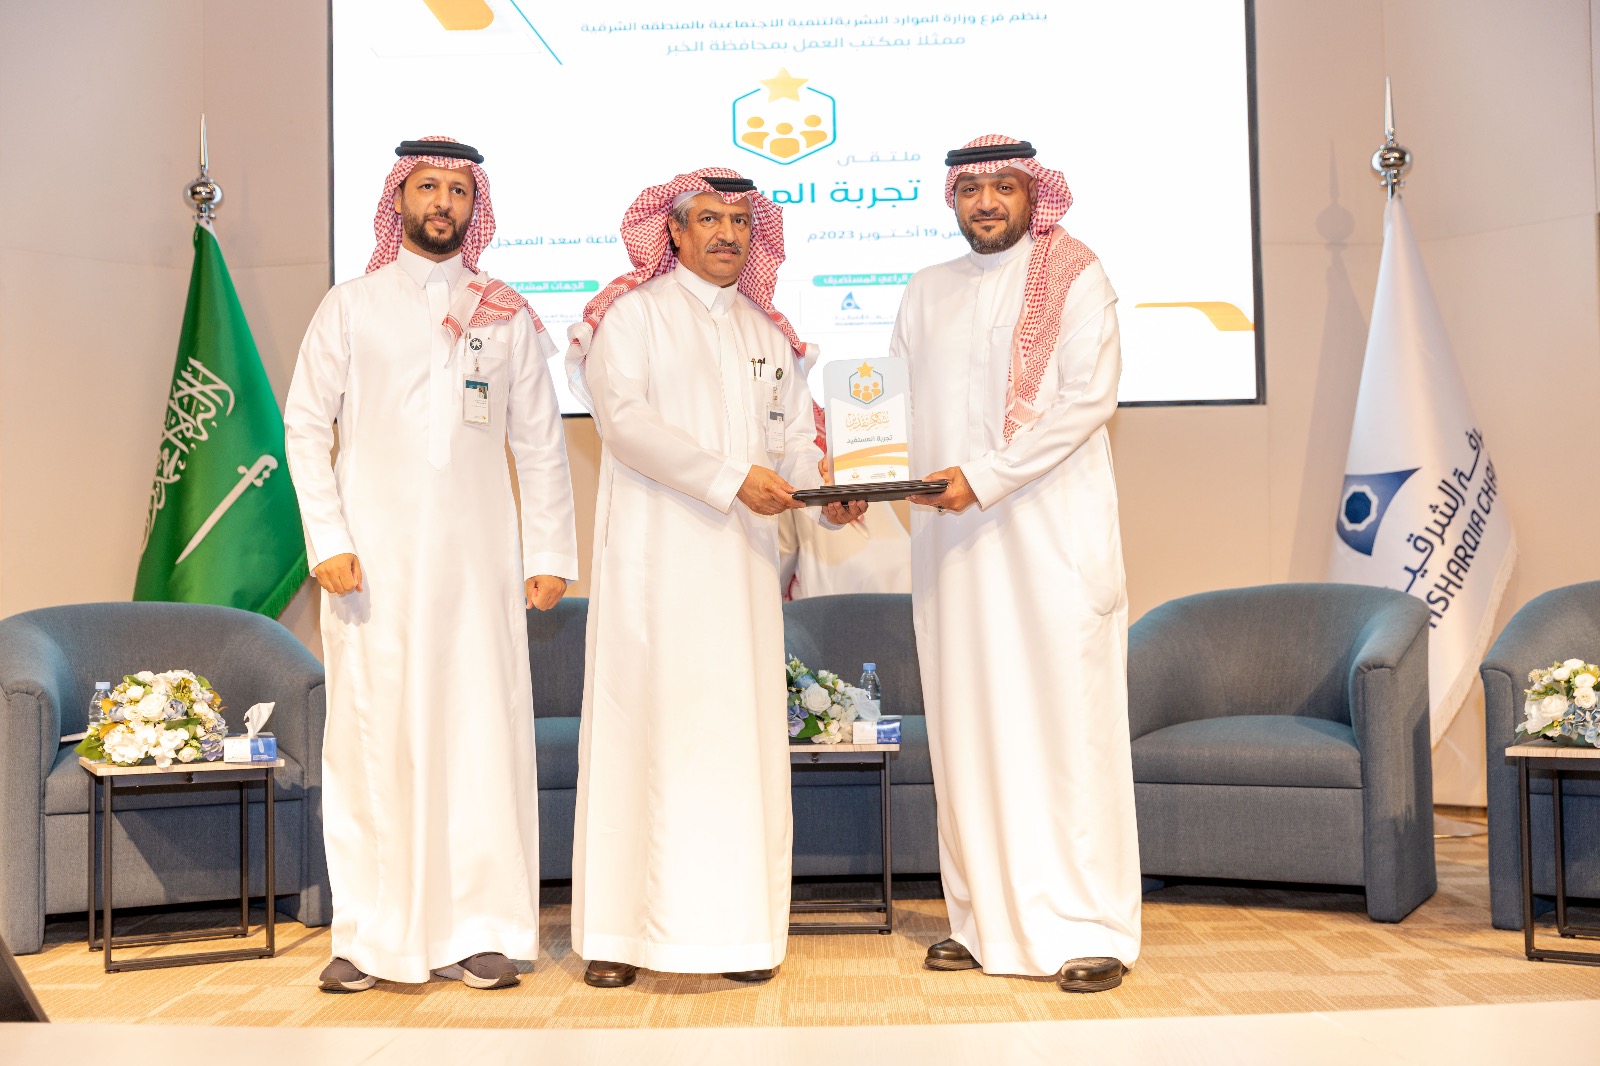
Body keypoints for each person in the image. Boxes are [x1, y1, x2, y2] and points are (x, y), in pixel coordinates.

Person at [283, 136, 578, 994]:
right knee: (373, 741)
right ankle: (369, 935)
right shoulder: (350, 305)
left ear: (473, 206)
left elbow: (541, 443)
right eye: (427, 187)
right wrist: (328, 539)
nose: (442, 202)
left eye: (457, 190)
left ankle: (479, 929)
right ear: (399, 199)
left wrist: (549, 551)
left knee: (479, 737)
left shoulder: (505, 313)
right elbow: (305, 426)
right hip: (371, 569)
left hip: (480, 569)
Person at [565, 168, 862, 988]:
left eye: (740, 221)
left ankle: (736, 937)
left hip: (742, 579)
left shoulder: (768, 333)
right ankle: (621, 937)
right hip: (654, 573)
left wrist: (828, 496)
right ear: (674, 231)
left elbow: (794, 443)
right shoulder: (633, 318)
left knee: (735, 747)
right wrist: (732, 480)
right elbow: (625, 424)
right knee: (643, 738)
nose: (728, 234)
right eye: (709, 219)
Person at [897, 134, 1140, 993]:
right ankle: (981, 920)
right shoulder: (925, 291)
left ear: (1034, 195)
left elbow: (1086, 401)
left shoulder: (1075, 275)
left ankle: (1089, 925)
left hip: (1048, 543)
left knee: (1064, 727)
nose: (988, 203)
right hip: (953, 548)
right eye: (972, 190)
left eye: (1004, 187)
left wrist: (986, 477)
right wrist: (859, 480)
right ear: (953, 200)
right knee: (967, 725)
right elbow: (892, 409)